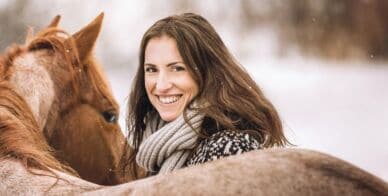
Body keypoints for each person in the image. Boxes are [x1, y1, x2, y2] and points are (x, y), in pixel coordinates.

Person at [122, 13, 290, 177]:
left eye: (177, 68)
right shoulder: (155, 147)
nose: (161, 85)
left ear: (208, 72)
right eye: (152, 70)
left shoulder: (229, 149)